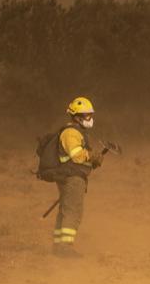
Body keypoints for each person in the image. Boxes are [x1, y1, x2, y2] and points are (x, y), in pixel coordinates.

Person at [41, 97, 104, 258]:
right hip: (72, 178)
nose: (90, 119)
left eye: (91, 115)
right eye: (87, 115)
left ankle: (58, 245)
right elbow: (76, 156)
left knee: (65, 210)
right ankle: (65, 248)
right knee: (73, 212)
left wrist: (91, 162)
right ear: (76, 117)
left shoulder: (76, 132)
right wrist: (92, 156)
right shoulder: (71, 133)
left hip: (71, 176)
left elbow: (75, 158)